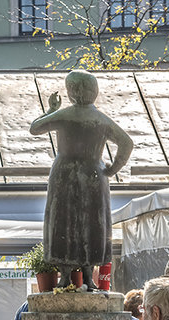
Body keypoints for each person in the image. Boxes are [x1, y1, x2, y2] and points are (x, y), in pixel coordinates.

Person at [30, 70, 134, 291]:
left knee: (63, 221)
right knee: (92, 224)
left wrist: (51, 110)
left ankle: (65, 276)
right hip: (94, 175)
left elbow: (35, 128)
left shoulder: (65, 115)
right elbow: (126, 143)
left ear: (72, 91)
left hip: (64, 173)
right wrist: (113, 168)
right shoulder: (101, 119)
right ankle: (88, 277)